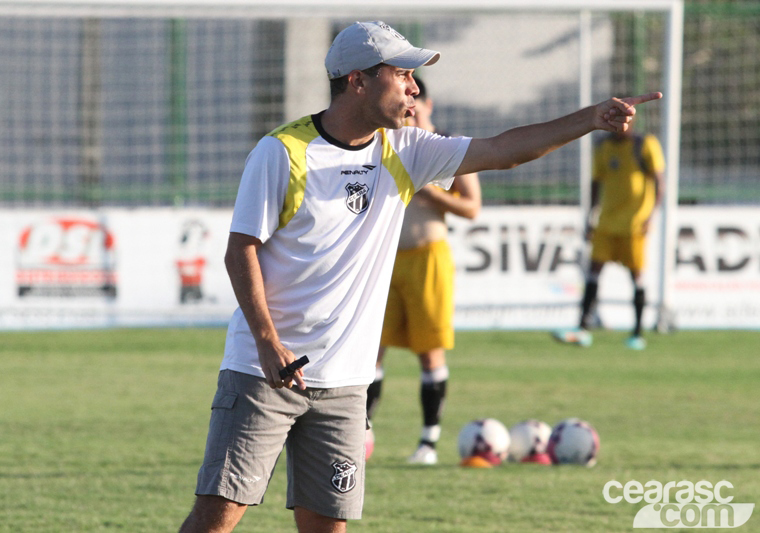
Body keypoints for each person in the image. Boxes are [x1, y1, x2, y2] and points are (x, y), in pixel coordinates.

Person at [178, 20, 661, 533]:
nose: (413, 86)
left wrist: (590, 118)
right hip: (264, 374)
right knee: (215, 521)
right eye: (402, 73)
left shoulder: (405, 149)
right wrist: (268, 342)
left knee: (328, 529)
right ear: (358, 81)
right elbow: (240, 251)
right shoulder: (282, 152)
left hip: (344, 386)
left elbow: (505, 150)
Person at [364, 75, 481, 465]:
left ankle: (428, 443)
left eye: (418, 102)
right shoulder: (387, 144)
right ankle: (359, 433)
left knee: (429, 354)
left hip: (428, 257)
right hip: (384, 259)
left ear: (428, 105)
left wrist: (428, 188)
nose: (412, 109)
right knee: (370, 352)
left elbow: (471, 207)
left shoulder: (449, 148)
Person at [552, 120, 665, 350]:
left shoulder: (645, 145)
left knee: (636, 276)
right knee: (593, 273)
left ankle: (637, 333)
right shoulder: (603, 146)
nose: (620, 127)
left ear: (633, 122)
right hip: (606, 222)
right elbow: (597, 181)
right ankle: (582, 329)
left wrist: (651, 215)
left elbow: (659, 182)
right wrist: (590, 216)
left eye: (625, 121)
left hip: (634, 224)